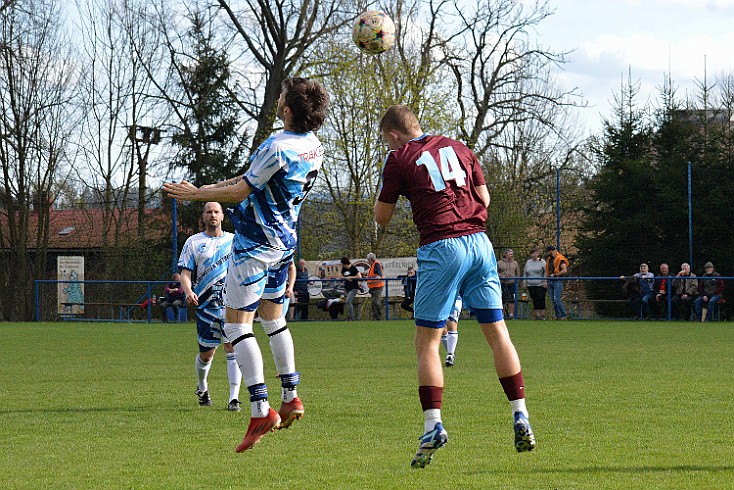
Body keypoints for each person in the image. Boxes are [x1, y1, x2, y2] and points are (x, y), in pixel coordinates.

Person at [163, 76, 329, 452]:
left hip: (254, 245)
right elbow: (248, 179)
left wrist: (195, 196)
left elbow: (241, 190)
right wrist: (205, 190)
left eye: (283, 96)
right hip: (285, 242)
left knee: (235, 325)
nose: (279, 99)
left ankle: (260, 409)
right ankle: (291, 395)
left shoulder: (276, 145)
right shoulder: (312, 146)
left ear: (287, 108)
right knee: (274, 319)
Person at [374, 105, 535, 469]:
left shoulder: (399, 157)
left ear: (394, 134)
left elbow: (381, 217)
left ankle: (433, 425)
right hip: (480, 243)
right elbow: (485, 199)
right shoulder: (459, 146)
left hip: (442, 246)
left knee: (427, 343)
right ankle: (520, 414)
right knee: (499, 336)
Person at [178, 202, 242, 412]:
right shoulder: (193, 242)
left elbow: (244, 268)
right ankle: (202, 386)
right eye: (209, 212)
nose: (213, 215)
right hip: (205, 305)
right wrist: (188, 291)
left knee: (232, 349)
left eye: (216, 211)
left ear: (222, 216)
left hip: (231, 304)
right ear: (203, 217)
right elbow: (185, 273)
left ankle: (234, 398)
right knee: (207, 354)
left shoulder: (234, 240)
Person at [545, 245, 569, 320]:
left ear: (551, 251)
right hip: (550, 281)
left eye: (548, 252)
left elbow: (564, 270)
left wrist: (556, 275)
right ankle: (558, 315)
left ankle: (563, 315)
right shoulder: (550, 259)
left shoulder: (560, 258)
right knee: (553, 299)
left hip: (557, 280)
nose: (547, 253)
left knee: (557, 299)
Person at [523, 247, 547, 320]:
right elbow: (525, 273)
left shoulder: (542, 262)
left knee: (541, 299)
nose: (535, 255)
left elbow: (546, 272)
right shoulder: (528, 262)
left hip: (540, 284)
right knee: (534, 299)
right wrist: (524, 283)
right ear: (531, 254)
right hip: (530, 284)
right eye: (533, 253)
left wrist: (545, 281)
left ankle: (543, 315)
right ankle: (537, 315)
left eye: (536, 253)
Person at [497, 249, 521, 319]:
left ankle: (511, 314)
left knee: (512, 300)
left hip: (512, 283)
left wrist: (517, 280)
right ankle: (502, 315)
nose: (511, 255)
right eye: (510, 254)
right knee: (503, 300)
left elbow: (518, 273)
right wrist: (501, 276)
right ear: (506, 254)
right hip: (503, 283)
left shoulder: (515, 263)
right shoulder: (499, 263)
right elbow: (495, 272)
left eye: (512, 254)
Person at [441, 297, 462, 367]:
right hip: (438, 298)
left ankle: (450, 355)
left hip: (454, 298)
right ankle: (450, 354)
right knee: (442, 329)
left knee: (451, 323)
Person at [341, 256, 362, 321]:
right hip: (346, 288)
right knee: (348, 302)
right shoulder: (344, 269)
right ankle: (349, 316)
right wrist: (346, 278)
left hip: (353, 288)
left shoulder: (353, 268)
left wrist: (351, 277)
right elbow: (340, 276)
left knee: (348, 301)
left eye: (343, 264)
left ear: (345, 263)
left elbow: (359, 276)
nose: (343, 265)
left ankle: (352, 317)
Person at [365, 252, 385, 320]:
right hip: (373, 286)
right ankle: (375, 317)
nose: (368, 261)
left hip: (378, 286)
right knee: (374, 302)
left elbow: (379, 272)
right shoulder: (373, 265)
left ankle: (378, 317)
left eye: (368, 260)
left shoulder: (376, 264)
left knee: (376, 302)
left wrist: (379, 276)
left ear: (371, 259)